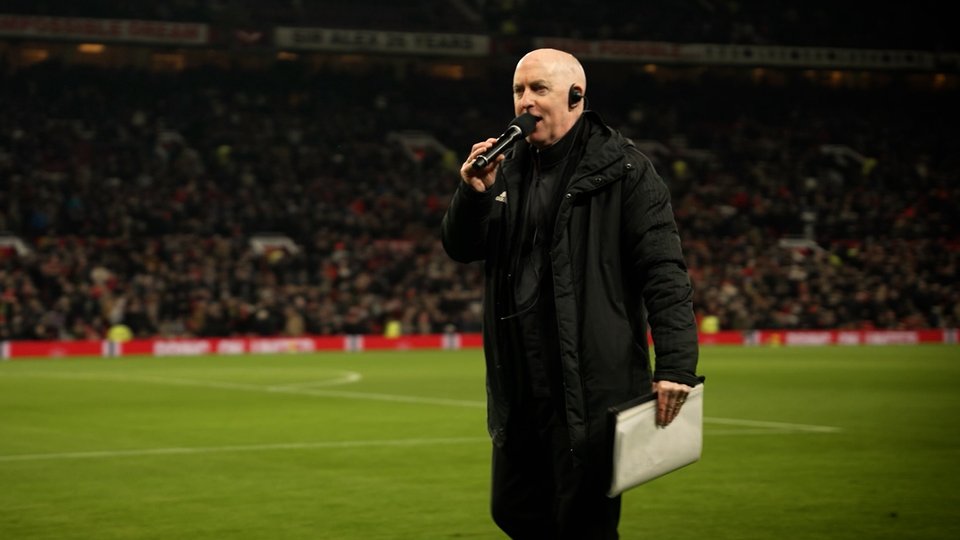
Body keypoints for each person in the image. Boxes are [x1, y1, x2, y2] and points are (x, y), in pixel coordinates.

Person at [440, 48, 702, 539]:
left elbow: (664, 270)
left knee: (584, 524)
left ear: (576, 96)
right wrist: (472, 193)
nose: (525, 102)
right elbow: (460, 247)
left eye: (539, 90)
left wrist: (675, 367)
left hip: (590, 386)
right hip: (520, 383)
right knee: (514, 511)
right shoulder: (505, 166)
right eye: (519, 90)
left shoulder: (625, 171)